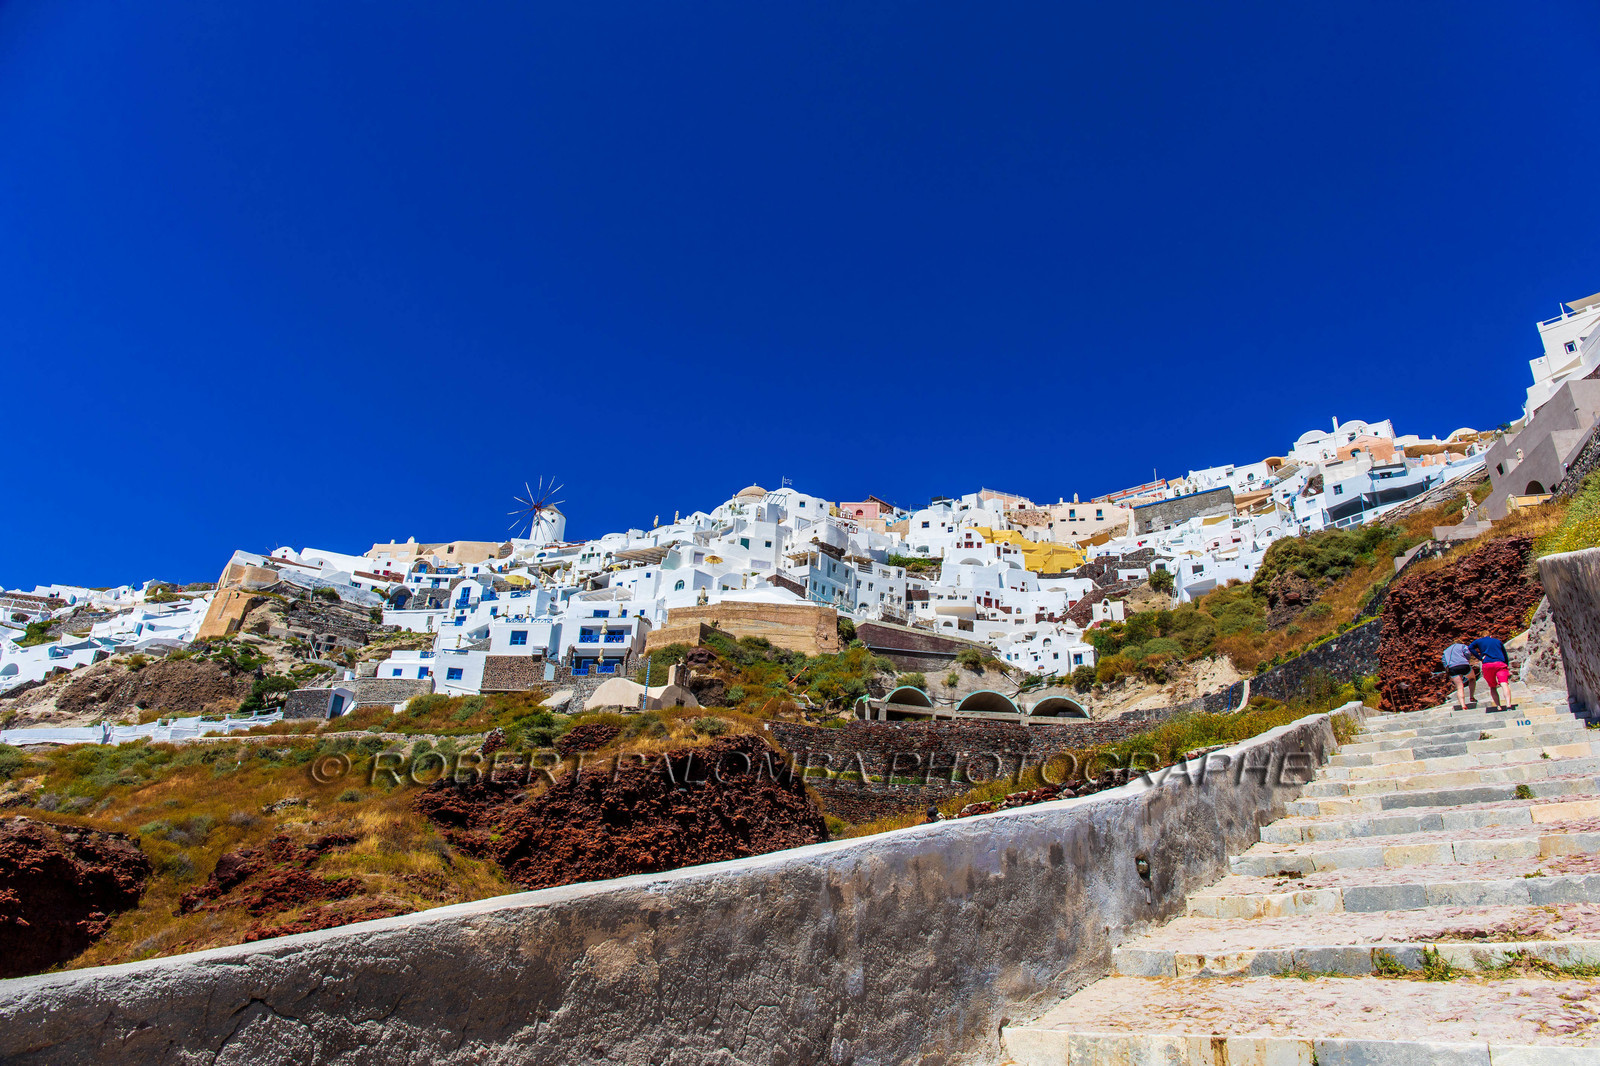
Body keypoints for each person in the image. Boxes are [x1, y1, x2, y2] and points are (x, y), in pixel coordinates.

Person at [1467, 635, 1513, 710]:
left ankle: (1498, 706)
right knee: (1504, 684)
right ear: (1490, 636)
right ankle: (1508, 704)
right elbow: (1505, 654)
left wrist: (1479, 657)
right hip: (1500, 664)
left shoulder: (1479, 641)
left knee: (1492, 686)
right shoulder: (1497, 641)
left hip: (1487, 665)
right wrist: (1506, 665)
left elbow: (1470, 648)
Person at [1441, 641, 1478, 711]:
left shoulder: (1446, 651)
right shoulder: (1462, 646)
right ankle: (1471, 697)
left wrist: (1447, 668)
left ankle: (1463, 705)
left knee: (1459, 687)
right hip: (1464, 665)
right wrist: (1467, 660)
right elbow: (1467, 653)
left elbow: (1443, 660)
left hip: (1452, 668)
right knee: (1472, 678)